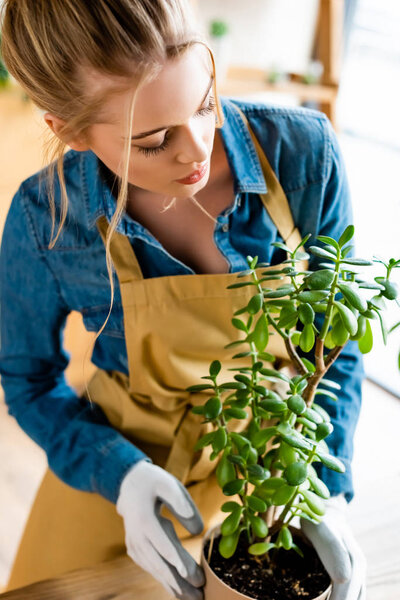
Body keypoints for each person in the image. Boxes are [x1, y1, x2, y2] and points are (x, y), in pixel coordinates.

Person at [0, 1, 366, 599]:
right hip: (117, 477)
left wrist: (322, 483)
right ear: (67, 131)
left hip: (265, 477)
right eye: (152, 141)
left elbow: (336, 343)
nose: (198, 150)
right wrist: (121, 478)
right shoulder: (45, 219)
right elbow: (29, 381)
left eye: (205, 102)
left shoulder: (303, 157)